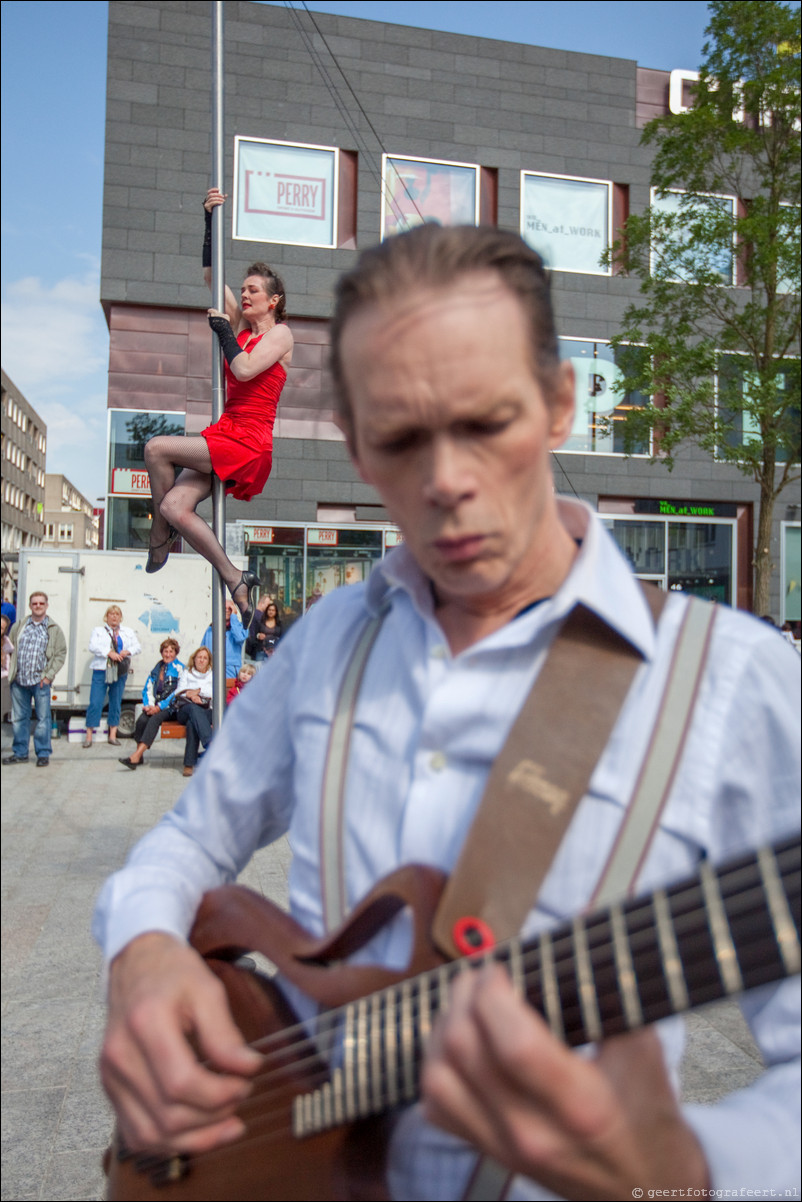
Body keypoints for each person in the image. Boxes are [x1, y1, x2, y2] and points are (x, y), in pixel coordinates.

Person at [94, 226, 800, 1200]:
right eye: (399, 438)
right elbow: (185, 844)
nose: (446, 480)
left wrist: (689, 1166)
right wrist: (141, 949)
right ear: (352, 445)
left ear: (559, 404)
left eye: (485, 422)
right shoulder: (326, 641)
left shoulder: (730, 679)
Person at [140, 187, 294, 630]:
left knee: (155, 449)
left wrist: (224, 330)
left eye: (253, 291)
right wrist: (209, 220)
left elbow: (244, 369)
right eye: (243, 290)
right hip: (225, 433)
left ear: (273, 300)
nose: (244, 296)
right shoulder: (243, 325)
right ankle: (235, 578)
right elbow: (212, 274)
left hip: (247, 441)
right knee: (173, 506)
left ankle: (158, 539)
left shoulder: (280, 335)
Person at [3, 591, 66, 767]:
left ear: (46, 606)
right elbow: (9, 647)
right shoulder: (20, 625)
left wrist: (48, 676)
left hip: (40, 683)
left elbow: (60, 654)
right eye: (34, 603)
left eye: (41, 603)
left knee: (43, 720)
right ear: (30, 606)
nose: (37, 606)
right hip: (19, 682)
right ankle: (20, 753)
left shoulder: (53, 629)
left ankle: (43, 754)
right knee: (19, 719)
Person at [119, 638, 184, 770]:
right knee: (142, 720)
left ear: (176, 653)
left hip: (172, 708)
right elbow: (148, 687)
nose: (168, 654)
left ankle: (136, 756)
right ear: (161, 652)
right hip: (155, 706)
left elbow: (178, 692)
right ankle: (139, 757)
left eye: (171, 651)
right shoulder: (157, 668)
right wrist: (149, 705)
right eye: (165, 651)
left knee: (154, 720)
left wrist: (159, 707)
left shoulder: (180, 668)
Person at [83, 607, 141, 748]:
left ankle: (113, 735)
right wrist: (109, 652)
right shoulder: (98, 631)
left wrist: (128, 651)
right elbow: (92, 646)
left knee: (115, 702)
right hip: (101, 670)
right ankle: (89, 736)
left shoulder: (127, 631)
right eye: (111, 614)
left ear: (120, 617)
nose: (114, 617)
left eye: (117, 614)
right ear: (106, 617)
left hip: (119, 671)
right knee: (96, 702)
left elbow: (137, 647)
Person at [168, 646, 214, 778]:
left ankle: (189, 764)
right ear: (194, 659)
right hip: (186, 709)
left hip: (205, 711)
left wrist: (197, 691)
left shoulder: (212, 675)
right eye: (199, 657)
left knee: (192, 723)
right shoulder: (186, 673)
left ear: (209, 661)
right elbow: (179, 692)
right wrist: (191, 695)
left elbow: (214, 692)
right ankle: (209, 743)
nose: (201, 660)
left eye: (205, 658)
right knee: (193, 710)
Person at [201, 600, 246, 680]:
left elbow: (239, 638)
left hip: (231, 671)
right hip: (211, 670)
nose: (227, 610)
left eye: (230, 608)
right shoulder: (211, 629)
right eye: (224, 608)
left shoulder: (240, 627)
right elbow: (202, 649)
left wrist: (233, 617)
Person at [245, 596, 283, 663]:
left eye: (273, 610)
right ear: (261, 603)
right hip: (260, 648)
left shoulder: (253, 614)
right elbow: (253, 633)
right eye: (268, 605)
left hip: (265, 649)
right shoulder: (260, 617)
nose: (270, 610)